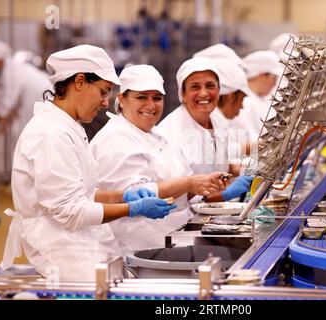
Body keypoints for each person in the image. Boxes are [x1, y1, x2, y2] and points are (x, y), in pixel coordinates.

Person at [0, 45, 176, 281]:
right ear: (80, 82)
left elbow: (82, 193)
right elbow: (71, 212)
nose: (106, 103)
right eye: (104, 92)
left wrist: (121, 196)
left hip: (83, 244)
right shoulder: (49, 134)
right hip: (64, 255)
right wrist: (133, 209)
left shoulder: (69, 127)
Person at [90, 64, 226, 253]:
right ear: (122, 100)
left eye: (157, 98)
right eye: (141, 97)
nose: (151, 105)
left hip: (174, 237)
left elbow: (181, 191)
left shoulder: (157, 134)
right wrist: (189, 182)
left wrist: (203, 185)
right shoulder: (115, 138)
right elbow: (136, 195)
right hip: (140, 248)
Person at [158, 57, 253, 202]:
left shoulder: (217, 121)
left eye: (210, 86)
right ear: (183, 94)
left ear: (219, 90)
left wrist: (242, 170)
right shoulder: (170, 132)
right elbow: (176, 196)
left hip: (208, 214)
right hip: (181, 220)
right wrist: (224, 194)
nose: (203, 93)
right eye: (195, 87)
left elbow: (217, 163)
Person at [0, 39, 52, 156]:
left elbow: (6, 104)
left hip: (40, 98)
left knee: (30, 140)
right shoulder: (12, 66)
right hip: (41, 96)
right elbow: (11, 104)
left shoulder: (9, 71)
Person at [234, 50, 285, 136]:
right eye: (274, 78)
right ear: (262, 75)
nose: (275, 84)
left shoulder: (265, 99)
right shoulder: (243, 102)